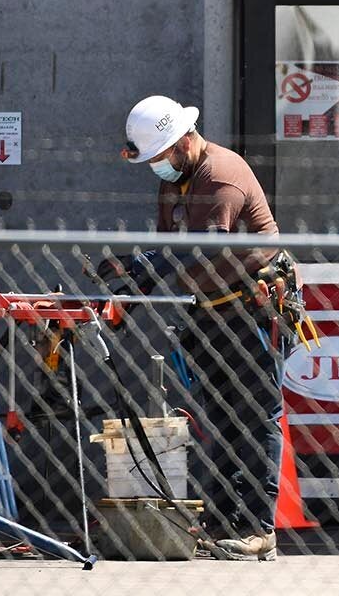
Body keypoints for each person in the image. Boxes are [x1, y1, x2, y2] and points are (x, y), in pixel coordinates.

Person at [101, 95, 288, 561]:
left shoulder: (219, 175)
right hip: (207, 309)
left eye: (162, 157)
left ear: (185, 141)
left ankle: (259, 528)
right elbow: (166, 248)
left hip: (250, 306)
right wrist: (128, 286)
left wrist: (142, 267)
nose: (158, 167)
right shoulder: (175, 182)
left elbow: (203, 249)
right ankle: (223, 520)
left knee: (256, 415)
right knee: (222, 417)